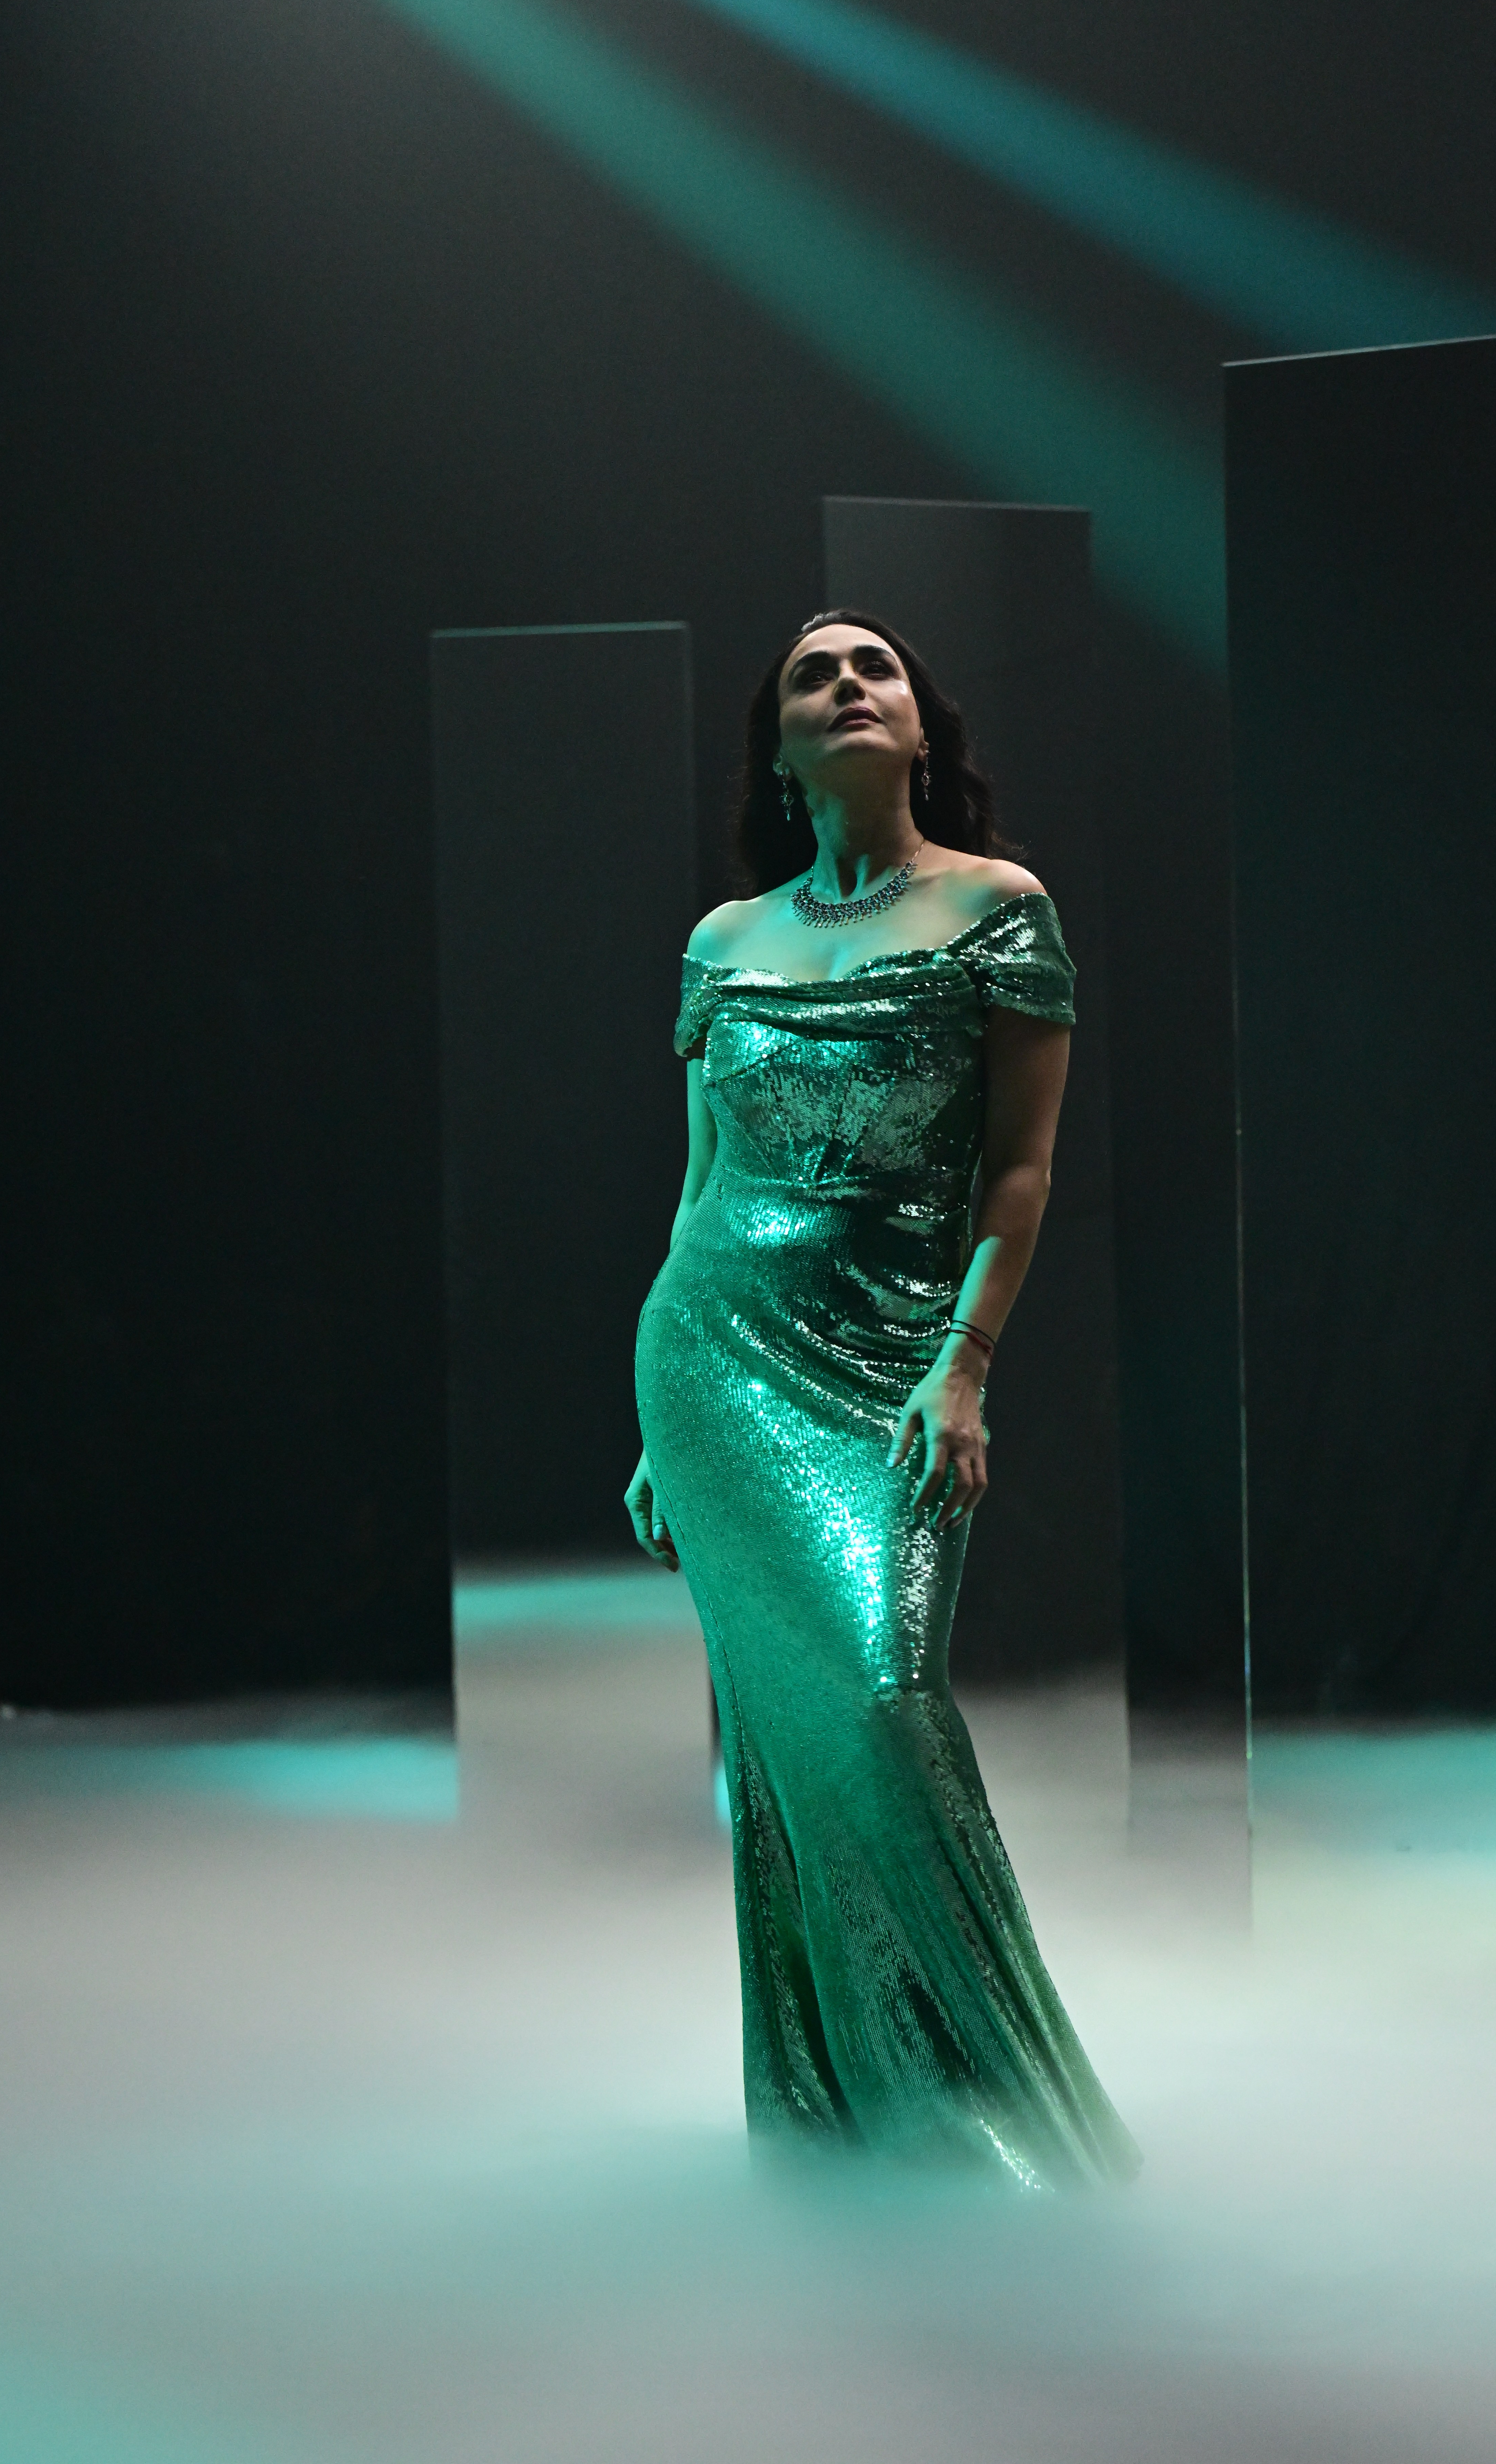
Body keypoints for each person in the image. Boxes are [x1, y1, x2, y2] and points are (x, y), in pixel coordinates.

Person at [628, 609, 1136, 2189]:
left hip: (892, 1368)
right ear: (780, 750)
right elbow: (699, 1186)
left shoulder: (997, 910)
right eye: (810, 677)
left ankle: (992, 2104)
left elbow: (1021, 1167)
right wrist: (655, 1422)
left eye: (876, 669)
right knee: (785, 1748)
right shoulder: (723, 941)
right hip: (712, 1362)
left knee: (875, 1703)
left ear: (922, 729)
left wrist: (966, 1364)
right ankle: (847, 2113)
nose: (847, 686)